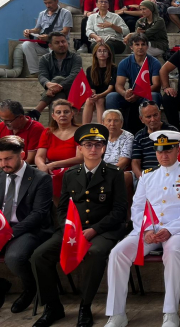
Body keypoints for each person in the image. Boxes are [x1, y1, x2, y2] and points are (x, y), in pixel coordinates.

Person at [104, 130, 180, 327]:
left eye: (168, 151)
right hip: (149, 230)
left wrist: (169, 230)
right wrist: (147, 229)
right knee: (117, 253)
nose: (163, 156)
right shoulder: (148, 176)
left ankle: (170, 312)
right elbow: (138, 206)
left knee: (173, 252)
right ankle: (116, 314)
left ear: (177, 150)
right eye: (159, 152)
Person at [31, 124, 127, 327]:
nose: (93, 149)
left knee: (96, 253)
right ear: (80, 148)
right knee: (40, 256)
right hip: (73, 230)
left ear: (104, 148)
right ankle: (52, 307)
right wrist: (70, 229)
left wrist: (94, 230)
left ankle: (85, 306)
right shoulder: (70, 174)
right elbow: (63, 208)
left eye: (98, 144)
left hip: (103, 230)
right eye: (88, 144)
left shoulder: (114, 173)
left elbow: (119, 211)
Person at [0, 135, 53, 313]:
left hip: (30, 229)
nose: (3, 163)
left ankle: (30, 288)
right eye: (0, 159)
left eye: (8, 158)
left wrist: (10, 233)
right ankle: (2, 284)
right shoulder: (0, 176)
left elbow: (39, 214)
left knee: (14, 258)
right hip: (3, 228)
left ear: (22, 155)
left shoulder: (40, 179)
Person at [106, 33, 162, 133]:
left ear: (147, 46)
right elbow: (119, 85)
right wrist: (125, 93)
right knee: (111, 97)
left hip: (145, 94)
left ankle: (151, 130)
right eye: (137, 44)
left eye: (143, 44)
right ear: (131, 47)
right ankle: (114, 130)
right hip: (132, 94)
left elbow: (156, 85)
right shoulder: (124, 62)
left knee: (154, 96)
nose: (140, 47)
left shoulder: (154, 62)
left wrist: (139, 94)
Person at [25, 32, 83, 121]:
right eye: (57, 42)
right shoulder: (45, 59)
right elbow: (42, 75)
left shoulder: (76, 57)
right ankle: (54, 129)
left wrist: (56, 87)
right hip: (54, 93)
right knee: (58, 95)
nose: (61, 44)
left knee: (58, 79)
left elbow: (75, 76)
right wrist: (48, 84)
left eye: (63, 42)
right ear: (50, 46)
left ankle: (37, 111)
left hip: (73, 91)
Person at [35, 99, 83, 197]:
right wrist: (42, 166)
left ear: (72, 114)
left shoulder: (80, 131)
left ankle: (60, 210)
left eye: (66, 112)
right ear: (53, 116)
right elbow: (39, 156)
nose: (62, 115)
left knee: (56, 176)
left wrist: (53, 164)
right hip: (51, 168)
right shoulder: (47, 132)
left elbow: (80, 158)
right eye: (58, 112)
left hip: (74, 169)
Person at [20, 0, 73, 77]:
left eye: (50, 3)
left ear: (57, 1)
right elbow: (37, 29)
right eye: (45, 3)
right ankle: (35, 72)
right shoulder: (42, 14)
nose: (48, 5)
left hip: (59, 43)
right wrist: (29, 31)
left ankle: (55, 73)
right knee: (26, 45)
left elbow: (65, 31)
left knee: (54, 46)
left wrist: (49, 37)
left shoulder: (66, 13)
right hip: (43, 43)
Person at [101, 110, 134, 214]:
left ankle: (125, 215)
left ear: (122, 123)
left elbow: (124, 160)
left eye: (116, 121)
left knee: (122, 178)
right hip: (102, 170)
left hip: (121, 170)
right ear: (103, 123)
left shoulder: (128, 137)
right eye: (109, 120)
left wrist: (108, 173)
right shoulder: (99, 137)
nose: (112, 124)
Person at [82, 43, 117, 124]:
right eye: (99, 51)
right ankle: (84, 128)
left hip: (108, 94)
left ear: (108, 54)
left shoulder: (114, 68)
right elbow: (92, 87)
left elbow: (111, 88)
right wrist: (93, 94)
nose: (102, 53)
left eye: (105, 51)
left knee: (99, 101)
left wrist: (99, 96)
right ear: (95, 54)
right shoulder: (90, 69)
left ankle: (101, 128)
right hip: (97, 95)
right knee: (88, 100)